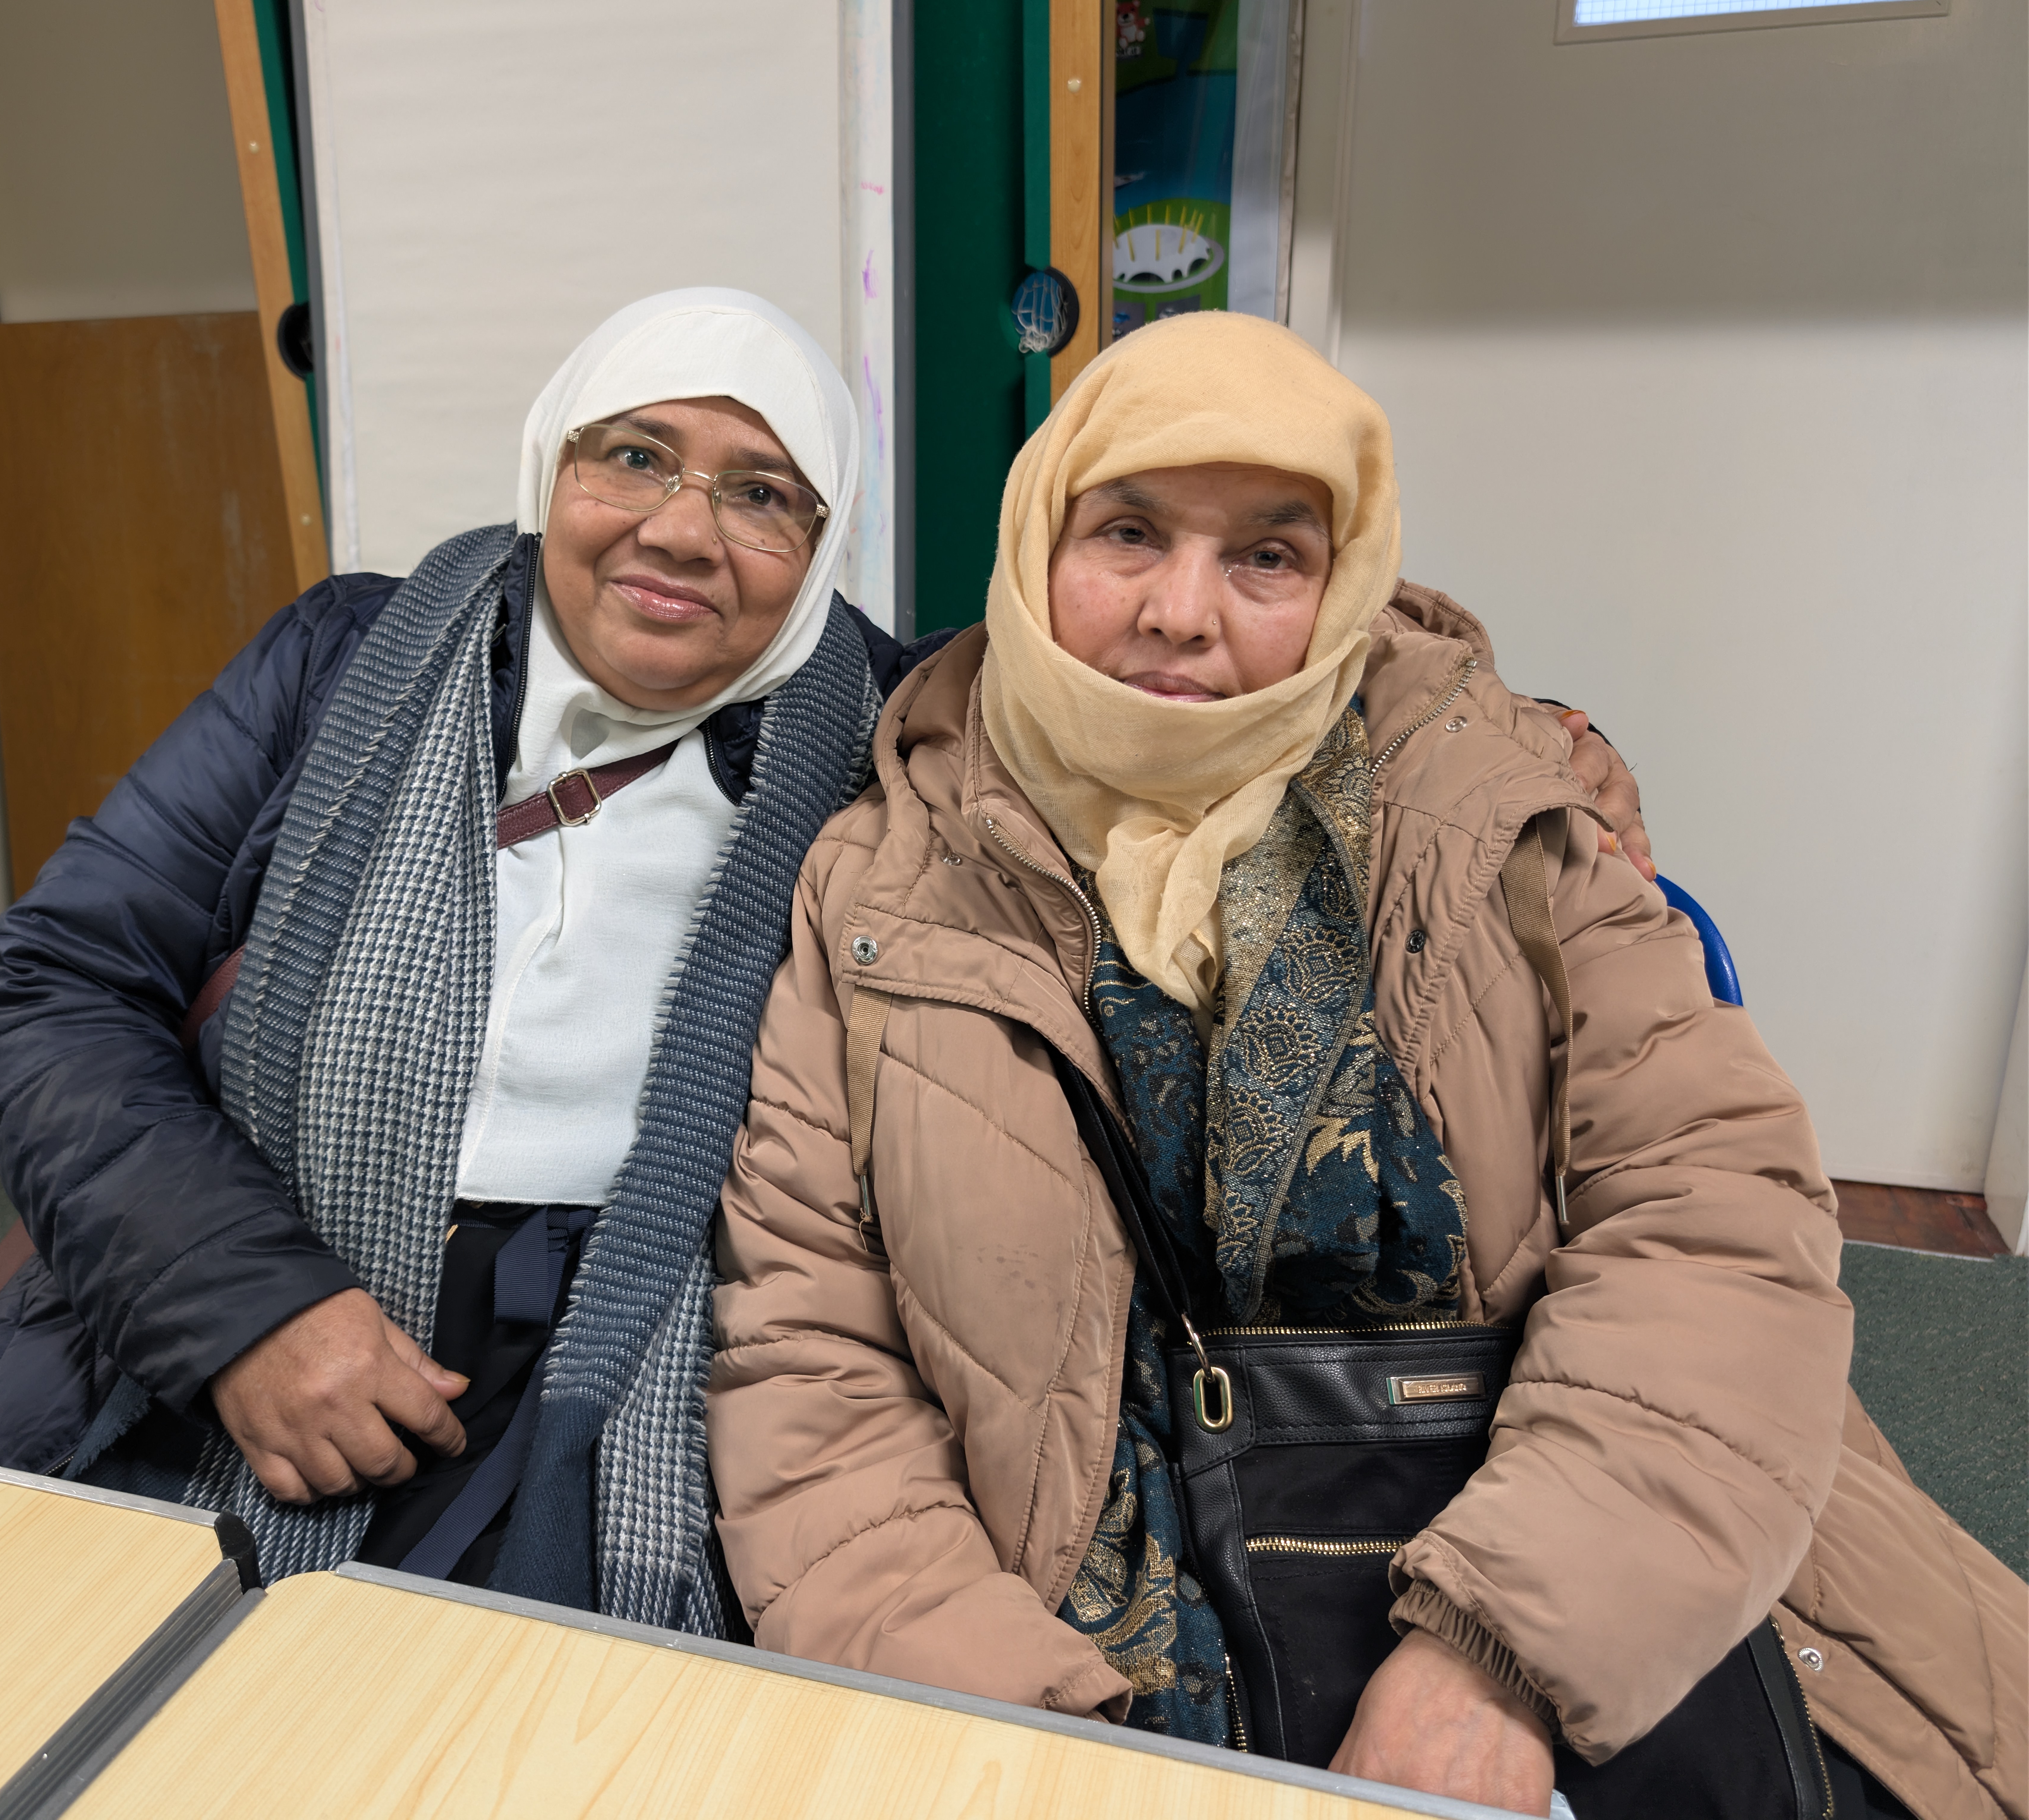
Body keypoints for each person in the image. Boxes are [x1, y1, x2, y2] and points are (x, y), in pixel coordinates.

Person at [0, 286, 1648, 1631]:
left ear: (823, 546)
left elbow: (1193, 711)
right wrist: (239, 1302)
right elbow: (55, 981)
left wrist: (1488, 739)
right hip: (259, 1263)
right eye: (630, 456)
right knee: (20, 1679)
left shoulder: (902, 733)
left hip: (645, 1341)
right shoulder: (348, 658)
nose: (678, 528)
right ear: (551, 468)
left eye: (762, 493)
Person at [705, 313, 2023, 1816]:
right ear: (1031, 538)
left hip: (1581, 1545)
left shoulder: (1501, 811)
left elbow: (1715, 1231)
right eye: (1125, 531)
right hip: (1069, 1620)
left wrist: (1499, 1659)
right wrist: (1022, 1737)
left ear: (1347, 580)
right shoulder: (878, 883)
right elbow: (813, 1357)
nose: (1183, 615)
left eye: (1268, 555)